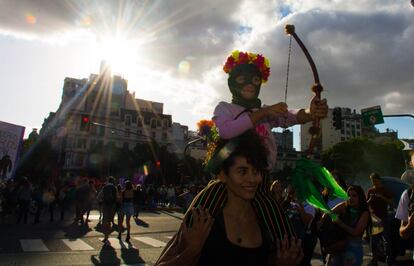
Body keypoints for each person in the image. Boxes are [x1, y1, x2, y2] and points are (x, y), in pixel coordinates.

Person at [182, 50, 328, 243]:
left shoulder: (265, 111)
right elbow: (226, 131)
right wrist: (262, 113)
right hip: (230, 176)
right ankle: (183, 243)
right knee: (205, 203)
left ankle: (288, 249)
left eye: (255, 80)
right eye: (243, 79)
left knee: (273, 213)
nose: (250, 84)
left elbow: (291, 116)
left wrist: (311, 112)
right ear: (232, 82)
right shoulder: (225, 108)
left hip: (261, 176)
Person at [156, 130, 303, 266]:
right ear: (223, 175)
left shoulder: (267, 219)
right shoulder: (204, 217)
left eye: (256, 171)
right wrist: (191, 251)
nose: (252, 179)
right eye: (242, 171)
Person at [322, 185, 371, 266]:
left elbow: (356, 232)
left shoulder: (364, 213)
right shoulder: (344, 206)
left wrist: (340, 223)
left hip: (353, 246)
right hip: (338, 245)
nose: (350, 198)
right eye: (349, 195)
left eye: (354, 196)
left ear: (360, 197)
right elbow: (328, 213)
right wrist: (322, 220)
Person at [366, 172, 393, 265]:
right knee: (374, 241)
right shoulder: (370, 191)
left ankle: (389, 259)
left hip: (384, 217)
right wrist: (370, 199)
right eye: (372, 181)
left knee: (387, 240)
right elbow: (366, 205)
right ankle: (375, 260)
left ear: (379, 180)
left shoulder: (385, 190)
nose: (374, 182)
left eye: (375, 180)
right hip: (374, 219)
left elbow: (391, 202)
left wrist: (381, 197)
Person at [101, 177, 118, 245]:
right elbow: (117, 197)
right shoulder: (114, 188)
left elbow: (101, 195)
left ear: (108, 181)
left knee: (104, 219)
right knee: (109, 220)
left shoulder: (105, 187)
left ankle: (105, 236)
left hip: (105, 205)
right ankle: (108, 232)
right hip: (112, 205)